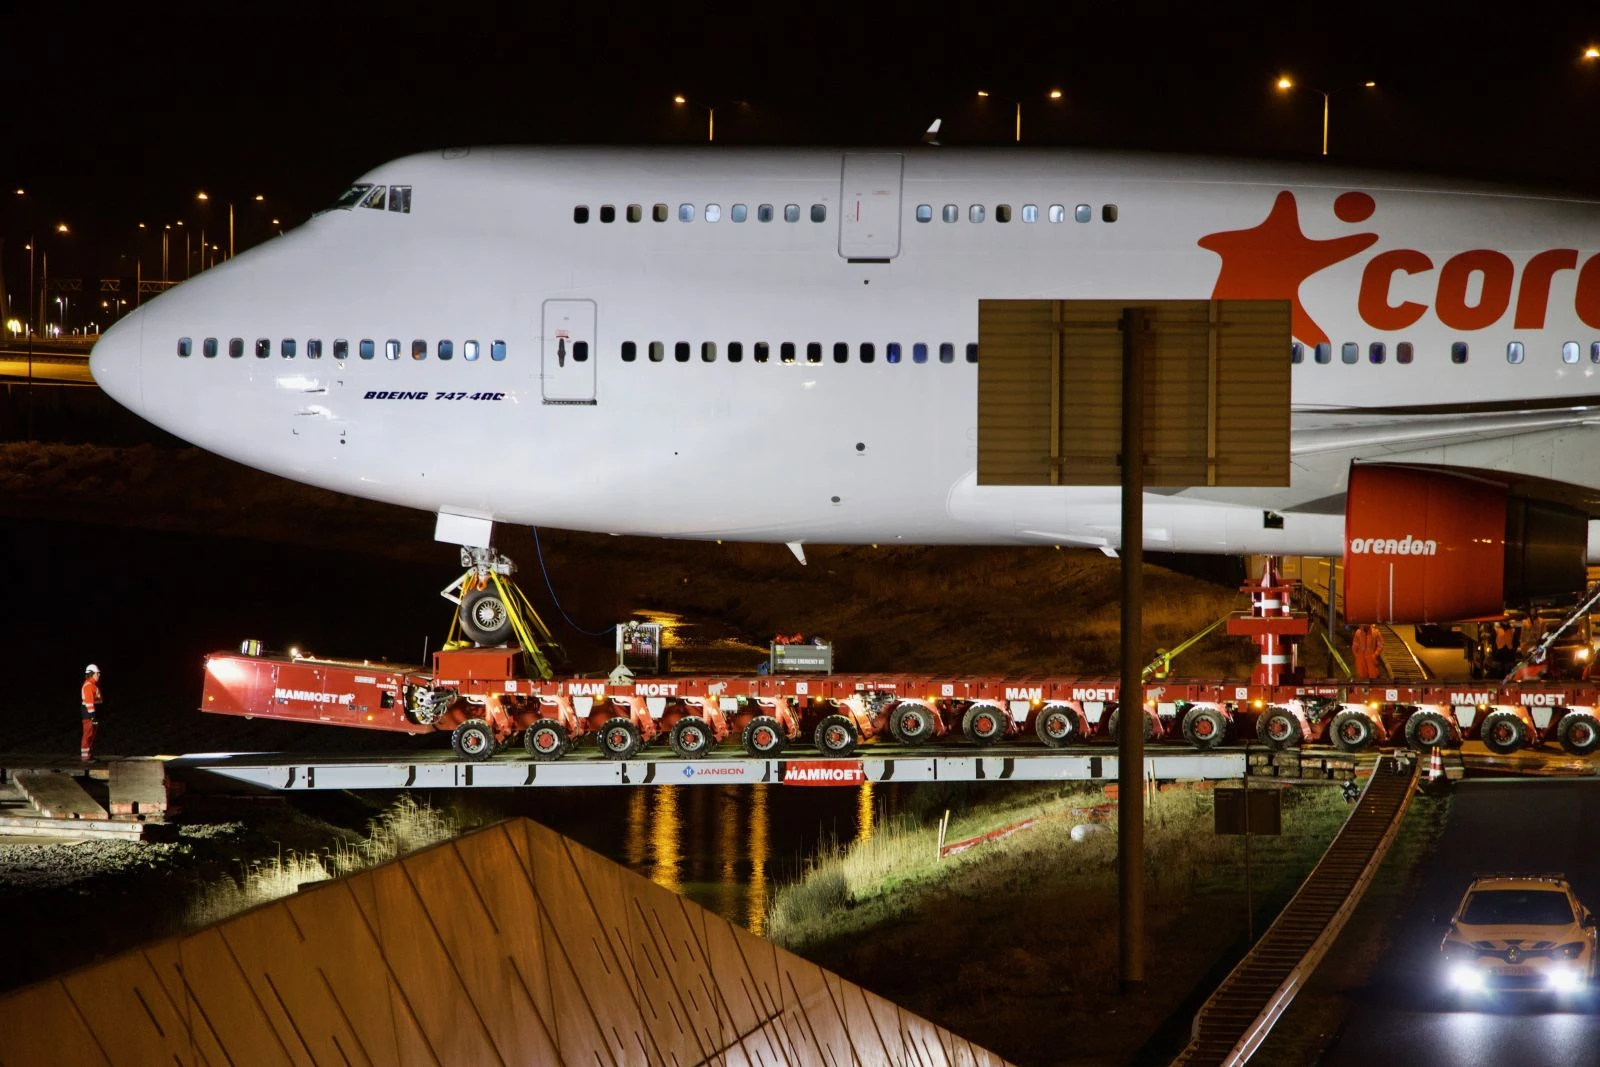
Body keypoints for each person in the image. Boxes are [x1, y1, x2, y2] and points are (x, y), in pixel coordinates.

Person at [80, 664, 103, 762]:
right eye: (97, 673)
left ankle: (89, 754)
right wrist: (93, 716)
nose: (99, 675)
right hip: (89, 714)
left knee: (92, 734)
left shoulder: (92, 685)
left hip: (92, 713)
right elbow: (89, 702)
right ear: (92, 674)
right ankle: (85, 756)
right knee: (88, 734)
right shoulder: (89, 685)